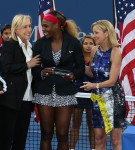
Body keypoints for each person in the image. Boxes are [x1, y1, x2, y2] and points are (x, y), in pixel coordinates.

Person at [32, 10, 85, 150]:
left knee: (62, 134)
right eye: (42, 26)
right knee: (46, 133)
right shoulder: (39, 44)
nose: (43, 29)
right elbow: (34, 70)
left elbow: (80, 69)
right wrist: (42, 72)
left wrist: (73, 76)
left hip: (65, 93)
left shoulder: (73, 43)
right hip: (44, 93)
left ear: (57, 25)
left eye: (46, 26)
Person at [80, 20, 126, 150]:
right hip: (98, 99)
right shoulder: (94, 50)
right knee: (99, 138)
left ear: (106, 33)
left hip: (114, 99)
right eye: (93, 32)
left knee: (115, 139)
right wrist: (77, 64)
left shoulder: (115, 52)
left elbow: (112, 81)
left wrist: (93, 86)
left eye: (96, 32)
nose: (94, 35)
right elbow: (92, 73)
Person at [0, 14, 40, 150]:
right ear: (16, 29)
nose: (29, 29)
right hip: (11, 101)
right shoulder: (9, 45)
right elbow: (6, 68)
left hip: (27, 101)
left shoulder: (31, 47)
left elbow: (32, 74)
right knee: (5, 140)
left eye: (29, 26)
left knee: (20, 140)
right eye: (25, 27)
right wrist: (28, 64)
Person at [70, 35, 95, 150]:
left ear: (94, 45)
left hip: (93, 94)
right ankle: (71, 149)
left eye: (91, 43)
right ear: (82, 45)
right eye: (86, 43)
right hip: (78, 93)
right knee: (76, 124)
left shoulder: (97, 58)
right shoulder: (76, 58)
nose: (88, 46)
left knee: (92, 125)